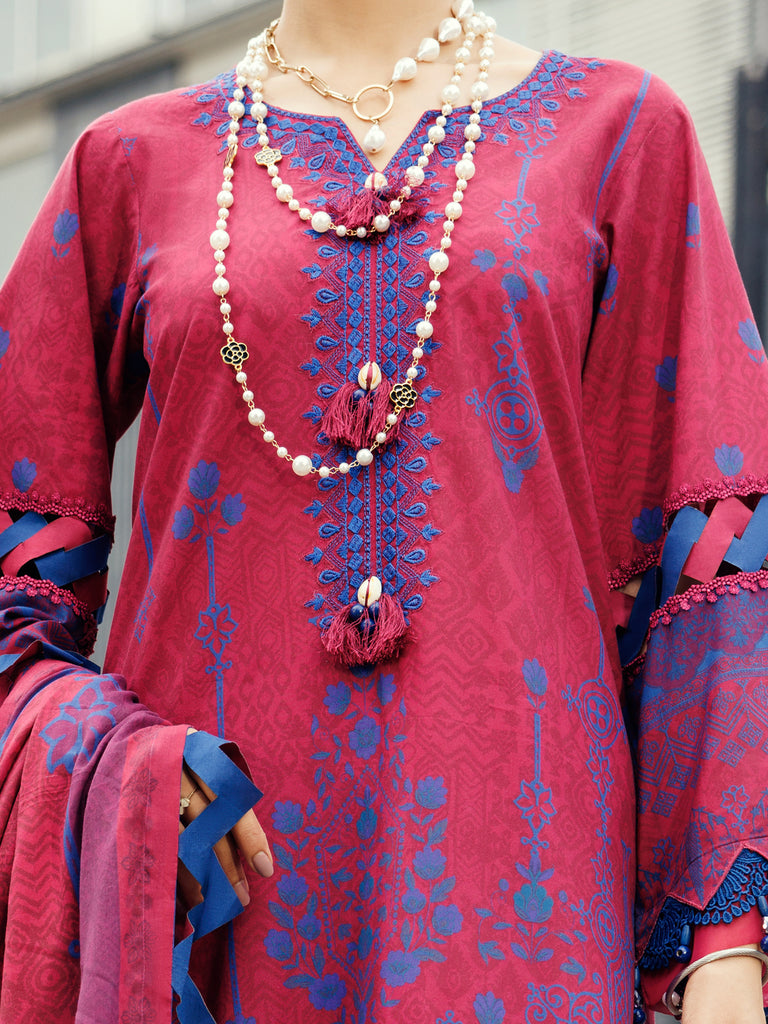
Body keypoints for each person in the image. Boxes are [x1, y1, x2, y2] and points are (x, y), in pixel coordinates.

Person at [1, 0, 768, 1020]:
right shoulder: (131, 163)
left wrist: (725, 947)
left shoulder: (620, 133)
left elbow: (707, 556)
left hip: (523, 900)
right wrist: (114, 763)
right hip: (216, 902)